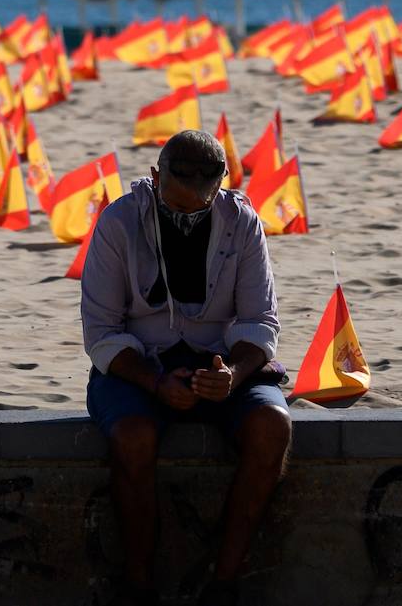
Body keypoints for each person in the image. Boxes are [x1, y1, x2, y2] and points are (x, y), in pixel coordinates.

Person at [81, 129, 292, 606]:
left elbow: (261, 319)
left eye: (200, 207)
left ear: (220, 187)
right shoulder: (118, 222)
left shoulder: (242, 222)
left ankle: (224, 581)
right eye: (175, 206)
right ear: (155, 178)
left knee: (272, 426)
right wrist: (155, 382)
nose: (186, 217)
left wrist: (233, 376)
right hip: (140, 361)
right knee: (132, 437)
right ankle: (138, 585)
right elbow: (101, 332)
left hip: (222, 361)